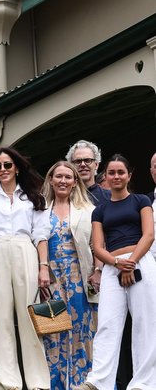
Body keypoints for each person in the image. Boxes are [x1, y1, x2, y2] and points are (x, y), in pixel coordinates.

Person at [0, 147, 50, 390]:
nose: (3, 170)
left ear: (16, 166)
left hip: (25, 250)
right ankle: (6, 383)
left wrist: (44, 267)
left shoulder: (34, 198)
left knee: (29, 316)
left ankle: (37, 382)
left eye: (7, 165)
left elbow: (40, 236)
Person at [75, 155, 155, 390]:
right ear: (106, 177)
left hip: (140, 261)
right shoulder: (99, 210)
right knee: (108, 323)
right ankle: (98, 382)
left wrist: (130, 262)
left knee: (145, 323)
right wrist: (117, 264)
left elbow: (148, 235)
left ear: (129, 175)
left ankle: (144, 383)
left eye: (121, 172)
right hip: (112, 267)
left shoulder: (141, 201)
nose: (116, 176)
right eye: (112, 172)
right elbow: (98, 246)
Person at [40, 161, 98, 390]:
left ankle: (83, 383)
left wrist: (98, 271)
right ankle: (54, 384)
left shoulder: (88, 210)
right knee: (52, 329)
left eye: (68, 177)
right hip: (50, 278)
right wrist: (40, 268)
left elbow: (97, 244)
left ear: (75, 182)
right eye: (59, 177)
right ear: (51, 180)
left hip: (80, 277)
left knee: (83, 329)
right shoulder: (39, 209)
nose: (63, 181)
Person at [66, 140, 110, 206]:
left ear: (96, 165)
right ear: (71, 166)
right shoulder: (63, 198)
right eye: (78, 161)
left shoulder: (111, 198)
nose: (83, 164)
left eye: (87, 160)